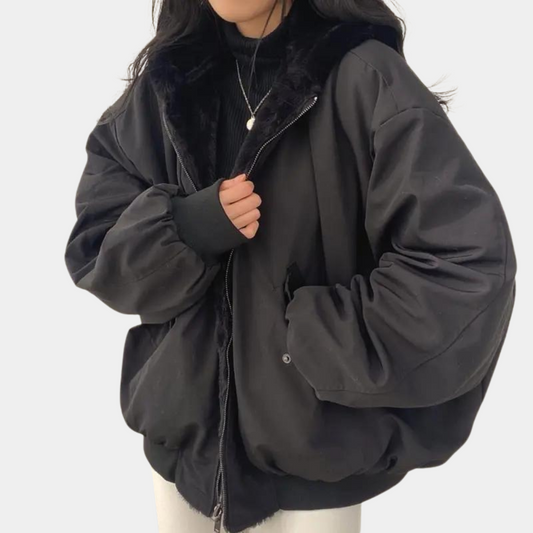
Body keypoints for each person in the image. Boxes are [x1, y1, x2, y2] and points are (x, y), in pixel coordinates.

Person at [63, 0, 517, 532]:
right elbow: (97, 243)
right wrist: (185, 229)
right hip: (182, 448)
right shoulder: (169, 83)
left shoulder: (364, 77)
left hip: (316, 456)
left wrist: (312, 338)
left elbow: (465, 263)